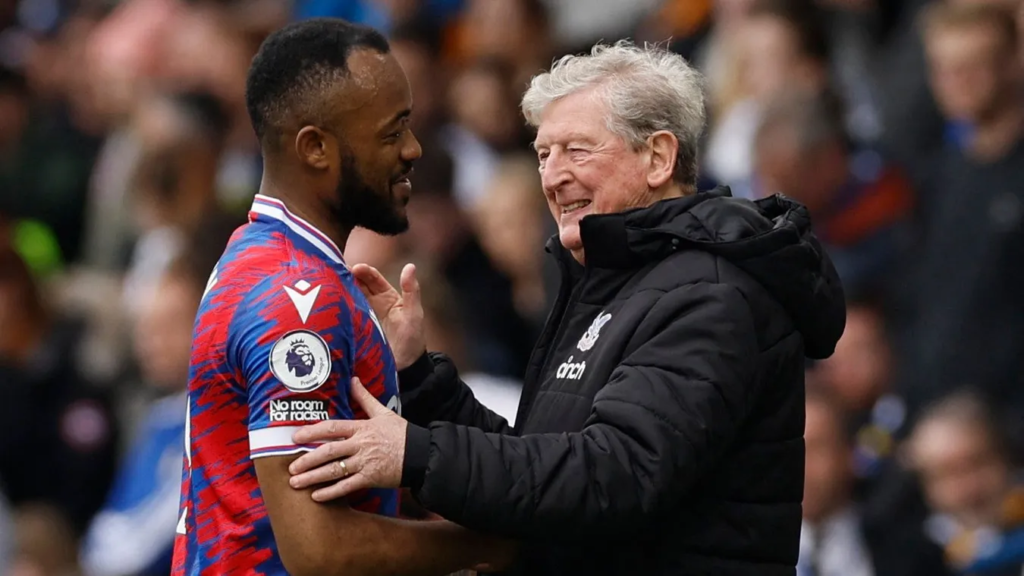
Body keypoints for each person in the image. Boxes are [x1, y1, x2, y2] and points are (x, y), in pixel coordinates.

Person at [288, 40, 847, 575]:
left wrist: (417, 454)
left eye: (577, 150)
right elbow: (538, 463)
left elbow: (612, 475)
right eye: (542, 155)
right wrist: (419, 377)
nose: (553, 178)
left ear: (658, 157)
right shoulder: (608, 280)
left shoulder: (713, 293)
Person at [171, 18, 512, 576]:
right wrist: (493, 547)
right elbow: (320, 549)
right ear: (315, 148)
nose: (413, 149)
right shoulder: (294, 297)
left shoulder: (265, 257)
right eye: (391, 133)